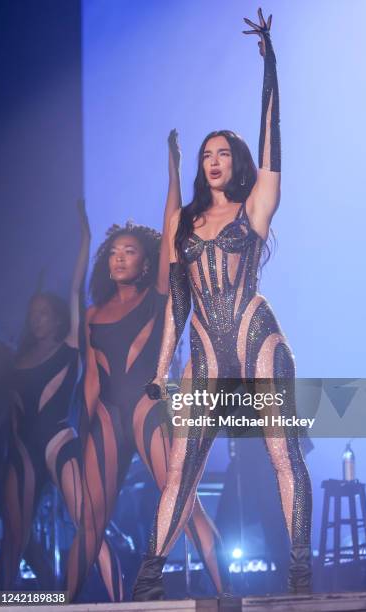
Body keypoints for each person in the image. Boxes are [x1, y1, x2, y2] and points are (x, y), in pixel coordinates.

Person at [134, 9, 313, 600]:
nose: (214, 160)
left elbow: (272, 144)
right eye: (206, 154)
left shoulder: (254, 209)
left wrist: (271, 66)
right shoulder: (184, 225)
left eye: (222, 153)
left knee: (282, 452)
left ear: (235, 162)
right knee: (182, 466)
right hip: (206, 351)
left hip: (257, 336)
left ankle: (300, 568)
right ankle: (149, 579)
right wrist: (160, 372)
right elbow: (175, 305)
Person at [66, 131, 229, 602]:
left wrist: (175, 169)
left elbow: (172, 223)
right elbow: (93, 378)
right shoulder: (95, 316)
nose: (119, 258)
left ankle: (229, 595)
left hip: (149, 408)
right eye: (113, 253)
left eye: (128, 252)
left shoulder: (158, 297)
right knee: (90, 522)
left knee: (183, 503)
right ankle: (57, 603)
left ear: (144, 261)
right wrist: (85, 432)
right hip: (106, 420)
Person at [0, 200, 90, 589]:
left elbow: (74, 288)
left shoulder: (68, 347)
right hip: (20, 452)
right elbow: (10, 413)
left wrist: (85, 236)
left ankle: (83, 599)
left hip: (56, 442)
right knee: (15, 538)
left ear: (55, 316)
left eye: (42, 313)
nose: (36, 319)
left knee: (86, 521)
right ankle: (13, 603)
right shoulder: (16, 359)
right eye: (31, 314)